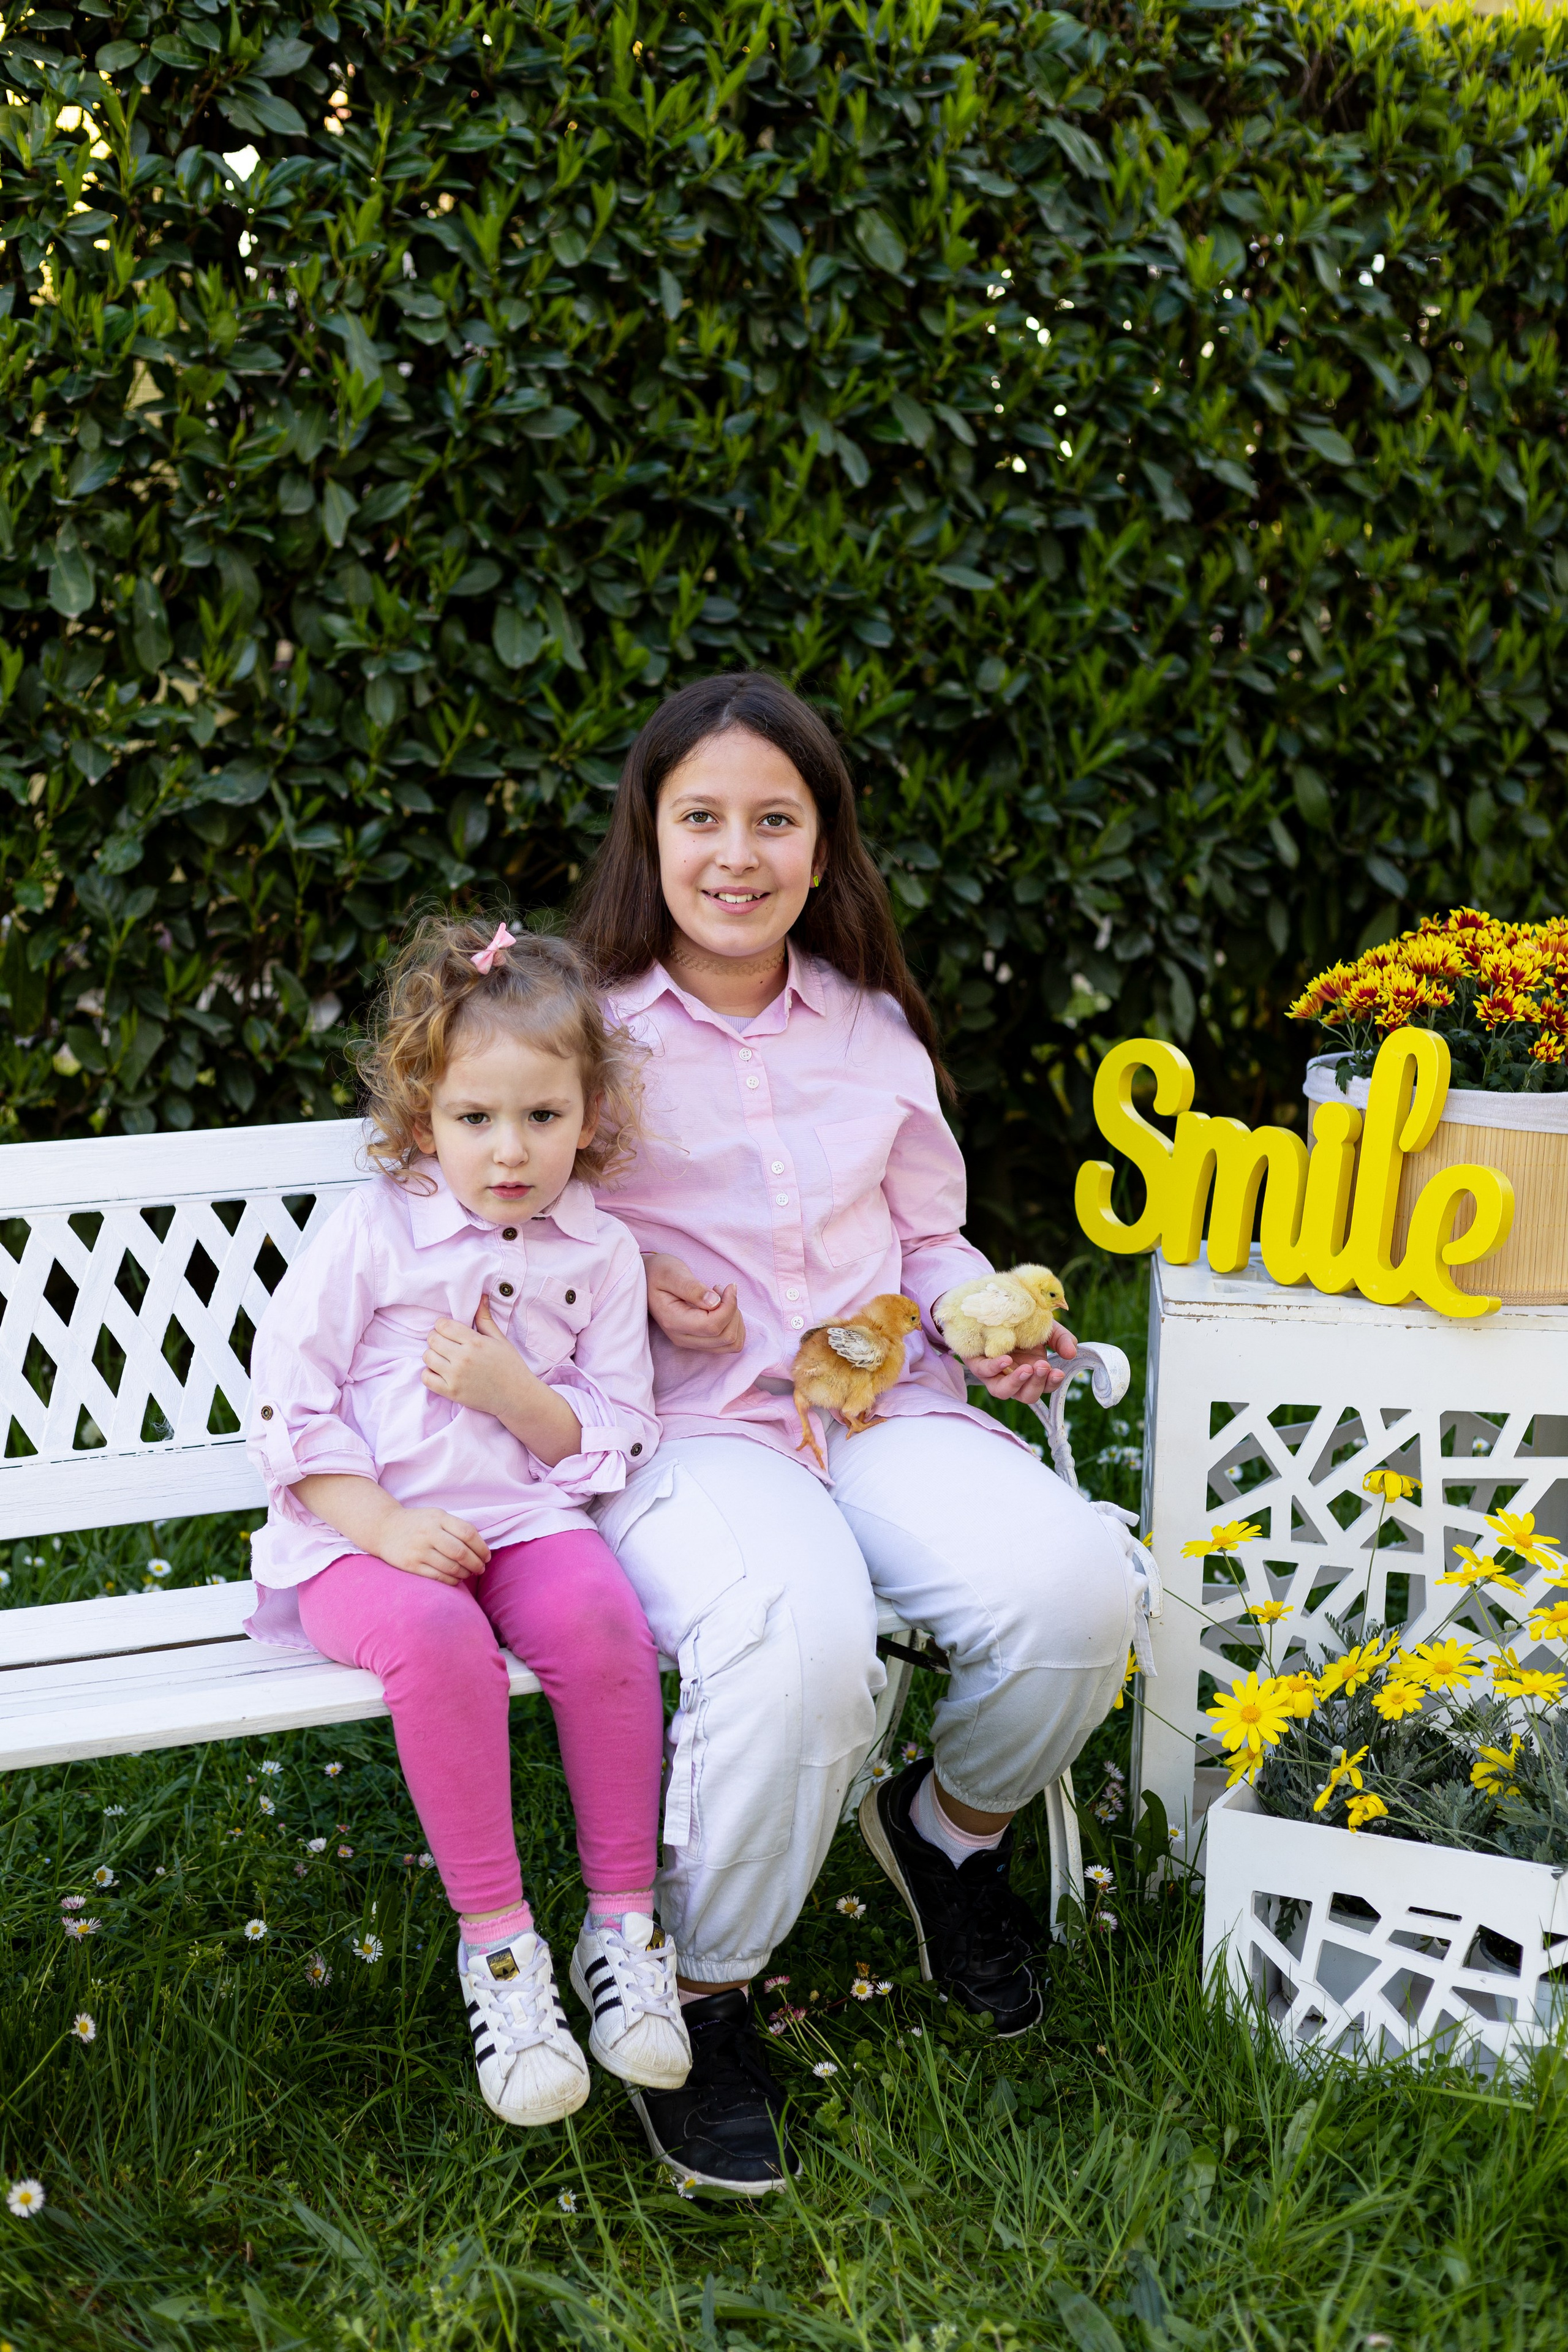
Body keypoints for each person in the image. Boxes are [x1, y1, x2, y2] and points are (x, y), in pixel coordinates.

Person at [571, 673, 1141, 2196]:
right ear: (652, 835)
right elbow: (502, 1246)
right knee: (801, 1636)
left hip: (882, 1401)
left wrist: (986, 1323)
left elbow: (926, 1239)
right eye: (701, 818)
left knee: (1079, 1586)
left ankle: (947, 1832)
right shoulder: (586, 1035)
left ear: (823, 852)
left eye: (776, 819)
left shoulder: (872, 1026)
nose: (736, 853)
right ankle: (697, 1986)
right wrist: (631, 1282)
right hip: (689, 1428)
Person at [243, 916, 689, 2128]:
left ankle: (621, 1930)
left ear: (589, 1116)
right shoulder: (374, 1232)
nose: (509, 1152)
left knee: (603, 1619)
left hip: (526, 1520)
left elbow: (618, 1427)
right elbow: (288, 1402)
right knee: (437, 1642)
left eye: (542, 1119)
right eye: (475, 1120)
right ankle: (500, 1951)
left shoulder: (597, 1250)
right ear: (422, 1115)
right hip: (359, 1544)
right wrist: (381, 1524)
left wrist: (514, 1396)